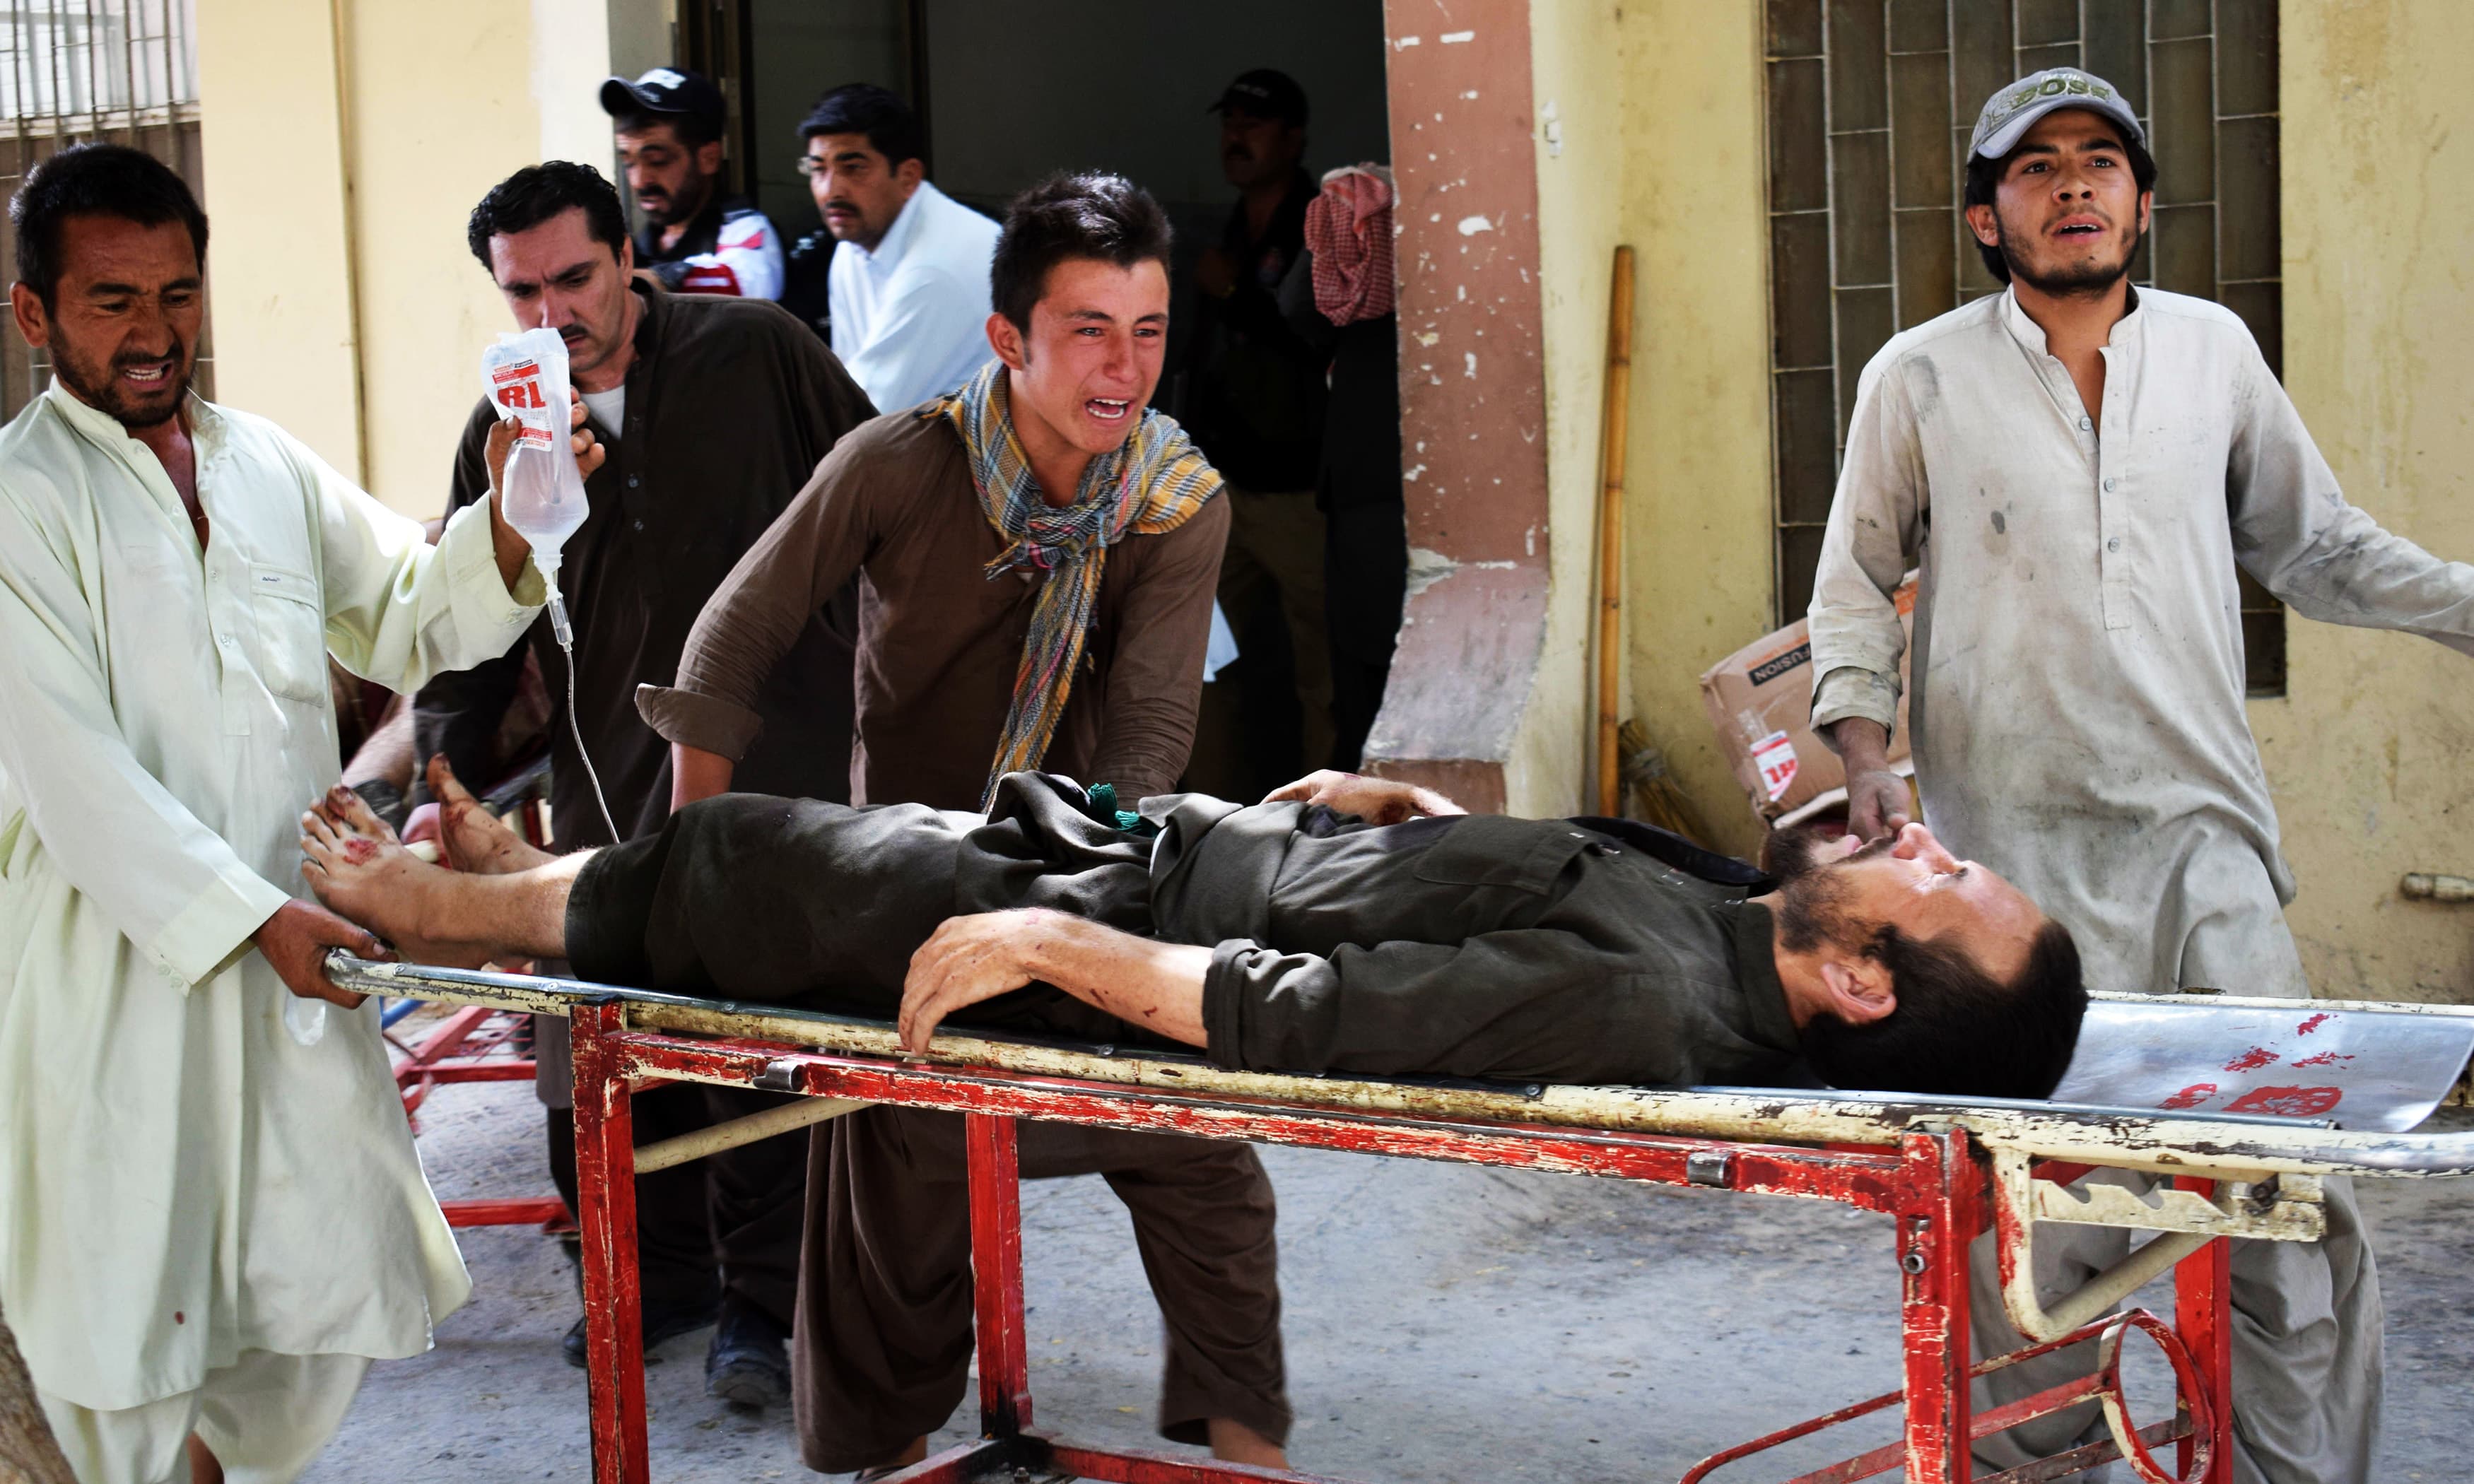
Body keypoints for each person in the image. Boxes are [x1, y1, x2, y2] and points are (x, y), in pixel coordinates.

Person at [1807, 66, 2474, 1484]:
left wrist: (2465, 602)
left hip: (2203, 855)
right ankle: (2040, 1468)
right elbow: (1854, 582)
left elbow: (2317, 547)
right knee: (2033, 1223)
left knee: (2286, 1198)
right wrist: (1864, 758)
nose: (2071, 185)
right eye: (2035, 166)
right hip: (2012, 875)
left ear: (2142, 201)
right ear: (1986, 217)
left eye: (2099, 161)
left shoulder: (2215, 353)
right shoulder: (1917, 375)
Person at [636, 173, 1291, 1476]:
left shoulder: (1175, 501)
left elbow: (1151, 743)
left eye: (1149, 330)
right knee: (900, 1134)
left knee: (1205, 1144)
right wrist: (685, 885)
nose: (1125, 366)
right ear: (1010, 339)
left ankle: (1249, 1456)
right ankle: (886, 1450)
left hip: (1093, 873)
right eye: (1090, 330)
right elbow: (733, 638)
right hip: (902, 882)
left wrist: (1069, 927)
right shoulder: (897, 463)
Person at [0, 144, 588, 1484]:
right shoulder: (15, 503)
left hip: (290, 970)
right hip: (116, 982)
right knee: (126, 1329)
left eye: (178, 293)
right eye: (111, 301)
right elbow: (76, 777)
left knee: (283, 1320)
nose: (154, 333)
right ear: (34, 314)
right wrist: (257, 918)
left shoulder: (260, 463)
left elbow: (407, 609)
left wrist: (507, 508)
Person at [298, 771, 2085, 1102]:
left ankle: (451, 904)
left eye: (1939, 886)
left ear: (1862, 985)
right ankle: (531, 874)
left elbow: (1298, 1016)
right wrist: (1378, 821)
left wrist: (1046, 949)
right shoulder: (1718, 922)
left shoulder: (1645, 1000)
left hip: (1114, 925)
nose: (1921, 841)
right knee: (752, 849)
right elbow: (1493, 900)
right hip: (1181, 853)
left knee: (745, 868)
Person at [412, 160, 875, 1408]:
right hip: (605, 793)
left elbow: (885, 496)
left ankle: (760, 1309)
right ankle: (654, 1277)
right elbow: (467, 628)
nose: (554, 313)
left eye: (575, 277)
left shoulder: (760, 352)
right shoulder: (503, 432)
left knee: (769, 1045)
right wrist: (441, 779)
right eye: (523, 293)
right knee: (603, 1049)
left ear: (627, 258)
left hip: (780, 772)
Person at [1181, 68, 1335, 787]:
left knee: (1321, 672)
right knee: (1196, 653)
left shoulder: (1319, 220)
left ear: (1293, 136)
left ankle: (1326, 824)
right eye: (1229, 121)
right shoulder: (1234, 226)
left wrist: (1235, 293)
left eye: (1255, 123)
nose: (1236, 136)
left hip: (1295, 490)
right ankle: (1206, 814)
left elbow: (1313, 338)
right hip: (1222, 481)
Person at [1279, 165, 1405, 770]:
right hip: (1372, 484)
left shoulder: (1373, 234)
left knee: (1367, 678)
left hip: (1369, 482)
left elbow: (1300, 305)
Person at [778, 83, 1000, 412]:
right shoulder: (853, 245)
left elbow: (859, 413)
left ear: (908, 176)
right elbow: (847, 384)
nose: (831, 190)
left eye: (853, 167)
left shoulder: (935, 268)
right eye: (818, 169)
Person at [602, 66, 784, 299]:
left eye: (657, 161)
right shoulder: (635, 246)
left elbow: (742, 283)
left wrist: (622, 285)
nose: (639, 181)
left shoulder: (747, 228)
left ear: (709, 159)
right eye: (629, 162)